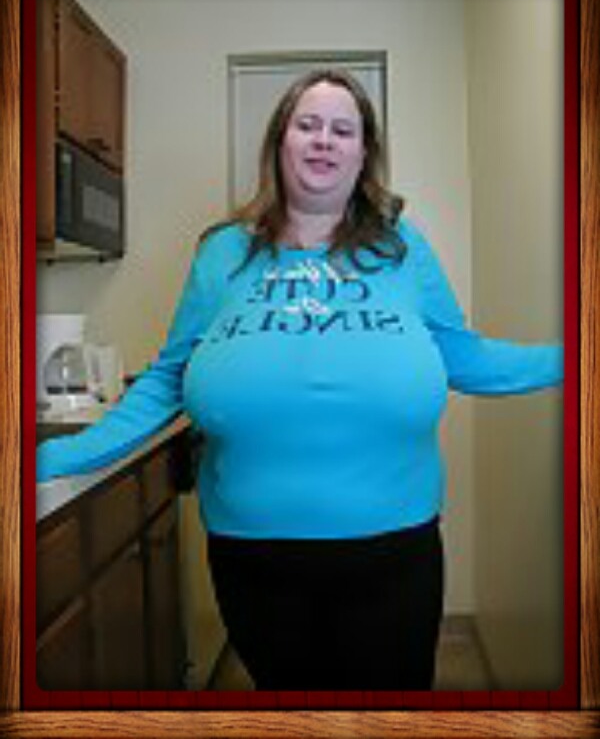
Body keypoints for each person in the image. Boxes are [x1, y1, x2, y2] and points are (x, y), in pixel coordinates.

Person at [37, 68, 563, 691]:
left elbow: (466, 358)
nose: (323, 141)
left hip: (395, 552)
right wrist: (51, 458)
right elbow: (168, 378)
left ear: (363, 152)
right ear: (279, 142)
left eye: (343, 130)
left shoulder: (402, 248)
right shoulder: (222, 253)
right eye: (307, 125)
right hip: (252, 556)